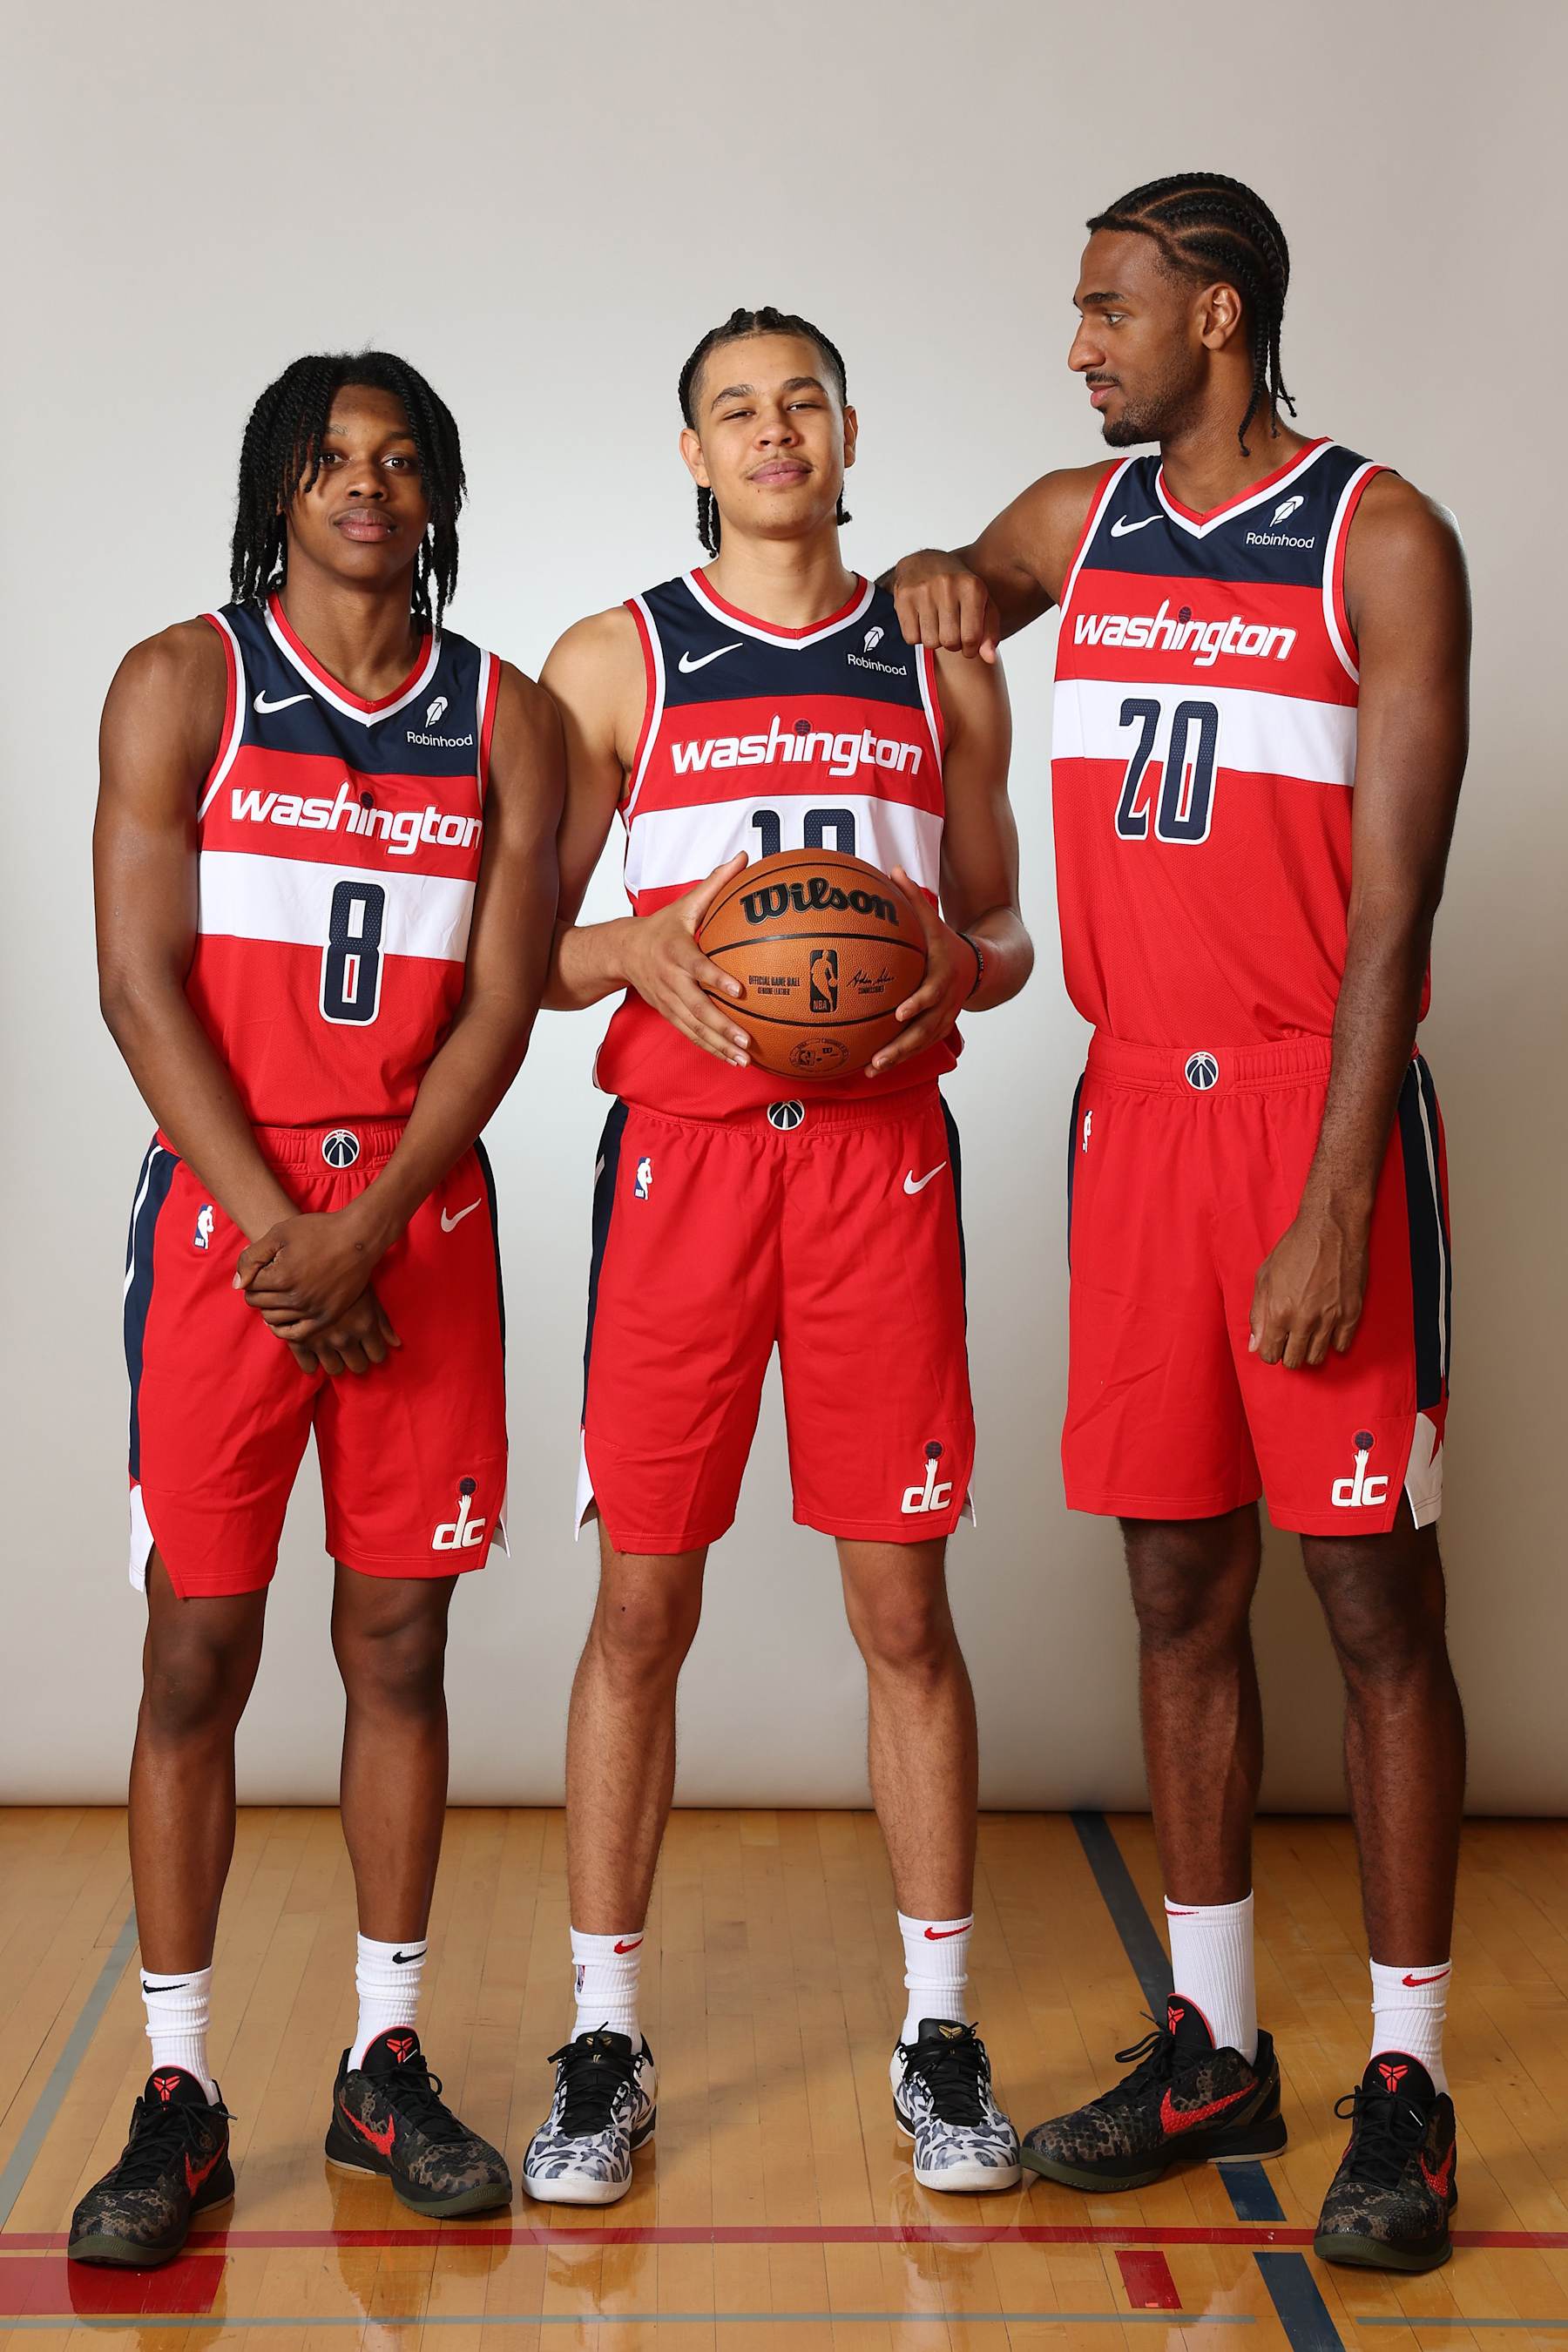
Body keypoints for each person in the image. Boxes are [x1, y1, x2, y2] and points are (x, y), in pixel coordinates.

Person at [890, 176, 1469, 2274]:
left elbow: (1397, 916)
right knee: (1173, 1597)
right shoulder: (1089, 518)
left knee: (1375, 1608)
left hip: (1313, 1125)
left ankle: (1406, 2077)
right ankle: (1210, 2039)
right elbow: (953, 574)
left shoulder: (1380, 536)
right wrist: (947, 579)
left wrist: (1332, 1201)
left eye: (1107, 311)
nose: (1078, 344)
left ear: (1214, 317)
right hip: (1131, 1123)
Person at [524, 305, 1035, 2206]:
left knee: (904, 1613)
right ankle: (601, 2035)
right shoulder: (617, 661)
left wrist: (949, 978)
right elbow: (532, 945)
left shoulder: (943, 666)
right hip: (684, 1167)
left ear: (845, 429)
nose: (772, 432)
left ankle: (939, 2031)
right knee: (643, 1614)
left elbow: (1002, 925)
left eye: (801, 400)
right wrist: (638, 951)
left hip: (884, 1164)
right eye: (735, 408)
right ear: (691, 449)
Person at [73, 352, 563, 2266]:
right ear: (279, 488)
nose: (365, 485)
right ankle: (180, 2090)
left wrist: (373, 1230)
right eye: (329, 459)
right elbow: (139, 985)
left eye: (399, 459)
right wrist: (294, 1234)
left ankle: (384, 2062)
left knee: (399, 1648)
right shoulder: (179, 682)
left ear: (437, 495)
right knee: (197, 1658)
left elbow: (504, 1004)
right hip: (229, 1218)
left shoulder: (504, 718)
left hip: (416, 1219)